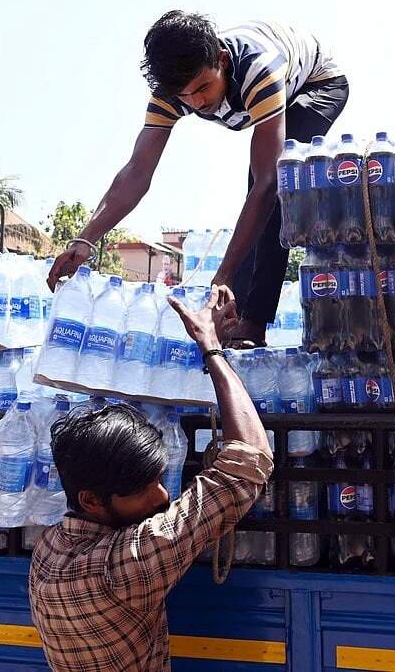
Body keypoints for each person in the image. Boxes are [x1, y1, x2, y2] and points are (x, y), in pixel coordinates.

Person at [47, 11, 348, 347]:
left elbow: (266, 184)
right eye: (184, 96)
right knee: (263, 181)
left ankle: (251, 323)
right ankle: (237, 314)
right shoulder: (170, 91)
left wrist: (225, 274)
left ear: (222, 60)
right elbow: (137, 172)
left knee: (275, 183)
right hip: (272, 87)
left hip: (317, 84)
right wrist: (85, 239)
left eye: (203, 87)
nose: (197, 102)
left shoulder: (258, 70)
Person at [28, 288, 273, 671]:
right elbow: (248, 463)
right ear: (91, 500)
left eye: (158, 479)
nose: (161, 497)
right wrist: (210, 348)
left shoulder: (49, 549)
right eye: (142, 489)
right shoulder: (122, 569)